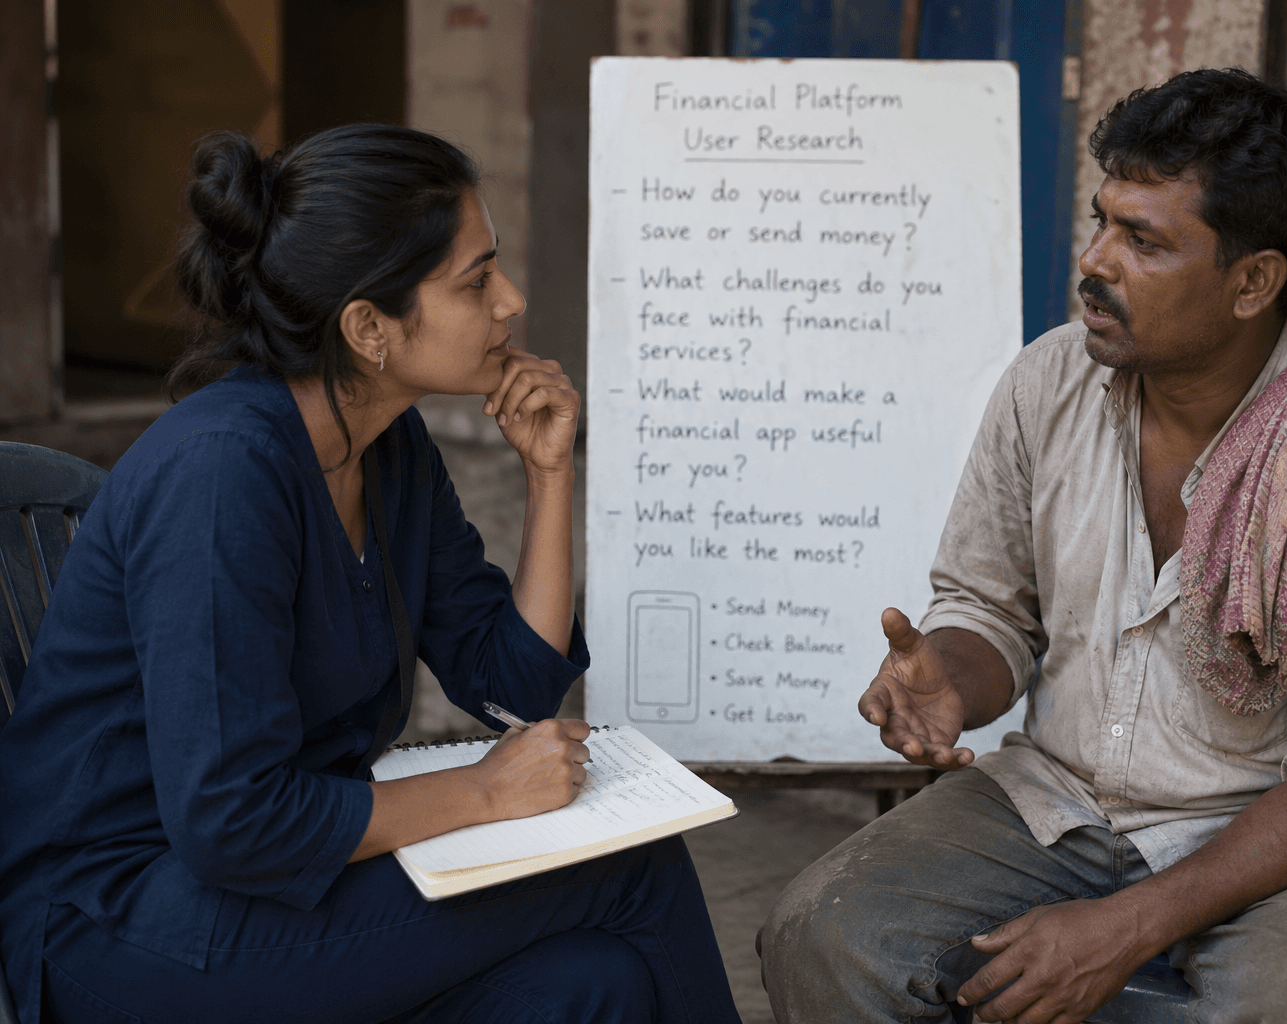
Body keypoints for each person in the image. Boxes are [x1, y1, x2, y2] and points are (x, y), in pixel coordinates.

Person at [760, 69, 1287, 1024]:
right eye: (1103, 220)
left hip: (1277, 836)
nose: (1095, 260)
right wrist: (953, 678)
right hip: (1053, 801)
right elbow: (990, 607)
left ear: (1253, 282)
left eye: (1143, 241)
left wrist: (1126, 925)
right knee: (823, 930)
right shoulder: (1050, 380)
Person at [0, 124, 741, 1024]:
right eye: (475, 281)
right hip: (124, 925)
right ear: (368, 328)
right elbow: (232, 820)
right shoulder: (225, 474)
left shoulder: (389, 450)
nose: (510, 301)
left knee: (596, 984)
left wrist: (551, 476)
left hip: (285, 892)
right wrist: (482, 793)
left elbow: (513, 683)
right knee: (630, 864)